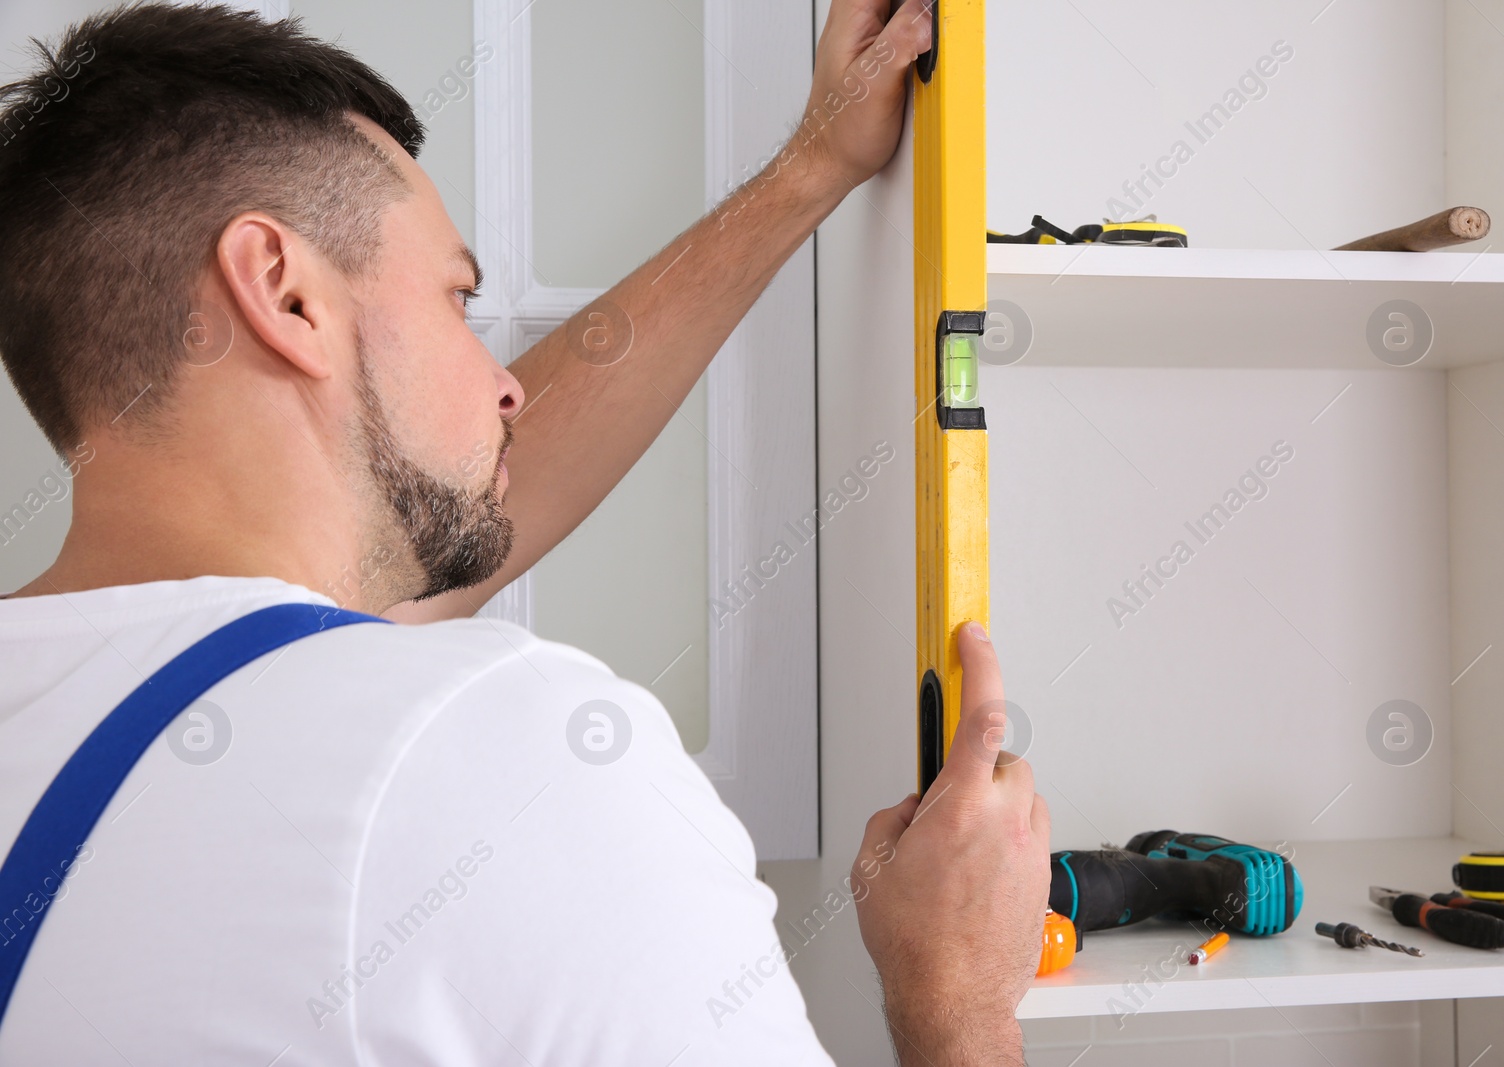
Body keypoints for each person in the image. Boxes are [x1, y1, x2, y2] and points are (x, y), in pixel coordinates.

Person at [0, 2, 1050, 1063]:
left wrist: (811, 168)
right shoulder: (501, 748)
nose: (504, 387)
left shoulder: (101, 707)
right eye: (457, 299)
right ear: (285, 294)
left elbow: (463, 503)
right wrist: (957, 996)